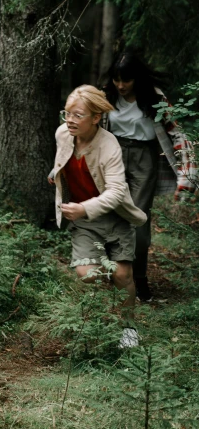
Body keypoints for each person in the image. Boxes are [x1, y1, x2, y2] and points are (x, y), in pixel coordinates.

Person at [49, 85, 147, 348]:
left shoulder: (108, 144)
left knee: (123, 275)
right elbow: (63, 160)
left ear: (95, 118)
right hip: (85, 222)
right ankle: (101, 323)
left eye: (77, 115)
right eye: (67, 113)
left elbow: (116, 192)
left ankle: (128, 328)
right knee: (87, 273)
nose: (70, 120)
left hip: (115, 217)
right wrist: (55, 174)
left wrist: (84, 208)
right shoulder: (63, 133)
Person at [103, 52, 196, 302]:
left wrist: (188, 173)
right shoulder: (106, 95)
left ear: (137, 78)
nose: (121, 86)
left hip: (145, 160)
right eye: (116, 80)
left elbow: (177, 133)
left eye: (126, 80)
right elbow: (83, 126)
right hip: (112, 156)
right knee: (112, 214)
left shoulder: (153, 97)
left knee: (138, 221)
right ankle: (116, 276)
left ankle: (140, 280)